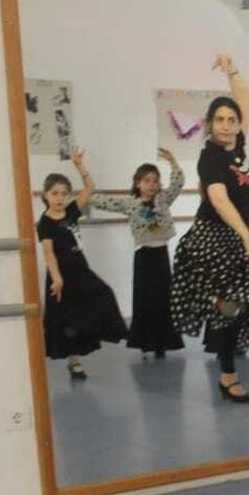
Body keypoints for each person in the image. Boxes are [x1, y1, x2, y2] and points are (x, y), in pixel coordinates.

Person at [167, 53, 249, 404]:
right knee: (230, 309)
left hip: (240, 235)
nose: (226, 125)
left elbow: (245, 98)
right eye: (219, 120)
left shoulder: (238, 147)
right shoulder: (210, 156)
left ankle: (222, 317)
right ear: (209, 125)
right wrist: (247, 238)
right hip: (213, 237)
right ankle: (228, 375)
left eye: (231, 120)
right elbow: (219, 199)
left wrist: (232, 70)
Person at [36, 149, 127, 380]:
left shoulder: (72, 211)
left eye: (64, 194)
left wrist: (79, 165)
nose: (59, 198)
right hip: (62, 275)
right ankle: (74, 362)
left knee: (104, 293)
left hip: (81, 271)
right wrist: (56, 278)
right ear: (45, 195)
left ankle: (111, 332)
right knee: (67, 319)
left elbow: (90, 187)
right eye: (54, 193)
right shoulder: (45, 223)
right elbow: (49, 254)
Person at [87, 148, 185, 358]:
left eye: (155, 181)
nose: (152, 185)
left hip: (161, 255)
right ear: (138, 183)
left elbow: (178, 184)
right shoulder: (131, 204)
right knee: (144, 299)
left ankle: (162, 342)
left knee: (163, 299)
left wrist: (173, 162)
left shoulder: (163, 199)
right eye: (147, 181)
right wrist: (84, 191)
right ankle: (144, 341)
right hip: (144, 256)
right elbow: (102, 201)